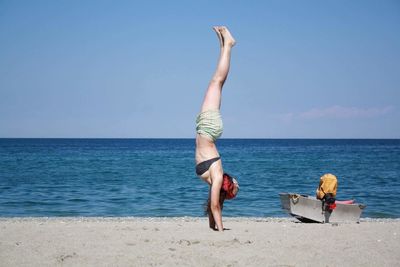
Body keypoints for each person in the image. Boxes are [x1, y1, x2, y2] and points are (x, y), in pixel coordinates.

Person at [195, 26, 239, 231]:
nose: (232, 178)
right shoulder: (215, 177)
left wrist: (218, 228)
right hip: (208, 128)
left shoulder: (217, 176)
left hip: (207, 128)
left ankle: (225, 44)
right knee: (217, 82)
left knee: (217, 82)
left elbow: (214, 205)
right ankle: (225, 44)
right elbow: (215, 204)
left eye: (234, 182)